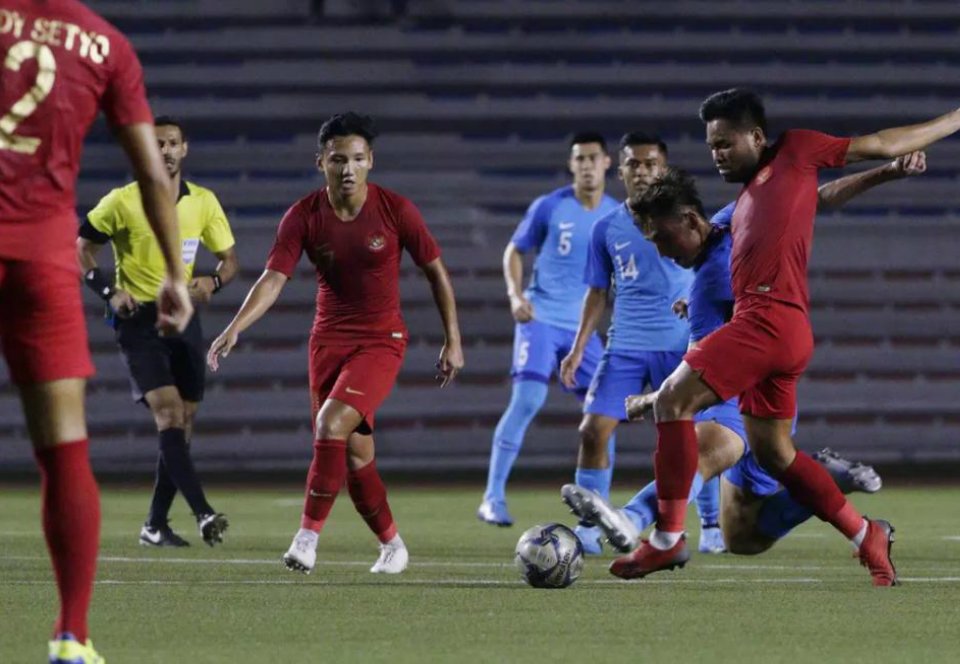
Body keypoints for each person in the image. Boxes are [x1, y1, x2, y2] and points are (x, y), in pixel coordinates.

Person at [610, 88, 960, 586]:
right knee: (775, 454)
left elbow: (881, 141)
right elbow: (818, 198)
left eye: (725, 142)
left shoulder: (796, 150)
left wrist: (954, 120)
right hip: (784, 331)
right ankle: (864, 533)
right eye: (711, 146)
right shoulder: (742, 204)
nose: (717, 154)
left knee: (673, 401)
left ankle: (666, 540)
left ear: (757, 136)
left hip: (765, 321)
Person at [563, 153, 927, 556]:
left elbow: (699, 365)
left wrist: (652, 398)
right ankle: (824, 479)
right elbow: (817, 199)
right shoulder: (730, 222)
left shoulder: (709, 277)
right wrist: (887, 173)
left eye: (663, 239)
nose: (663, 252)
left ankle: (631, 518)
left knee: (700, 456)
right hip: (768, 384)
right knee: (743, 536)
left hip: (744, 388)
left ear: (689, 220)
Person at [0, 1, 192, 661]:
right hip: (42, 259)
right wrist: (172, 271)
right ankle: (71, 636)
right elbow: (151, 176)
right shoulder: (106, 47)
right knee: (64, 447)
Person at [207, 112, 463, 575]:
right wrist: (235, 326)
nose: (348, 168)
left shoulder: (395, 210)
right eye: (338, 159)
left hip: (381, 340)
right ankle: (393, 544)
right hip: (327, 342)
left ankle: (306, 539)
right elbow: (273, 278)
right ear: (320, 161)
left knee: (329, 425)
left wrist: (453, 339)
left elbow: (436, 272)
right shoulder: (303, 216)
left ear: (371, 162)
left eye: (358, 159)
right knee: (355, 455)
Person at [558, 132, 722, 555]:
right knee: (592, 431)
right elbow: (598, 292)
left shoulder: (686, 219)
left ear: (663, 170)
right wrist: (579, 348)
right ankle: (591, 526)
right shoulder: (606, 228)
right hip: (626, 345)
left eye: (651, 163)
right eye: (634, 163)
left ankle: (710, 523)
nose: (643, 171)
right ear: (622, 168)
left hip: (682, 343)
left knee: (695, 435)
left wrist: (697, 299)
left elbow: (712, 266)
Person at [79, 116, 239, 548]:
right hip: (139, 322)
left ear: (184, 148)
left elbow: (229, 260)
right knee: (168, 414)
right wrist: (110, 293)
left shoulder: (203, 202)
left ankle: (153, 524)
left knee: (182, 425)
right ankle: (204, 513)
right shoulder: (121, 201)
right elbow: (81, 250)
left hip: (184, 319)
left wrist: (213, 283)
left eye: (172, 143)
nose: (165, 151)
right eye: (157, 144)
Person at [478, 132, 618, 527]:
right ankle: (492, 497)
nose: (587, 165)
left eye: (593, 158)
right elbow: (514, 250)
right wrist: (514, 295)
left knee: (604, 415)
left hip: (583, 332)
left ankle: (599, 510)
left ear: (607, 163)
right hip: (540, 319)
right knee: (526, 402)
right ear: (571, 164)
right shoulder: (550, 207)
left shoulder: (616, 214)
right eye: (579, 159)